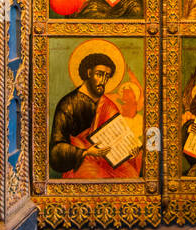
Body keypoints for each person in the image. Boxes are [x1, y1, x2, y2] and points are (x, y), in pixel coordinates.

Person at [49, 51, 138, 179]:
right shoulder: (68, 104)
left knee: (131, 174)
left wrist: (129, 152)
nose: (103, 80)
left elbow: (119, 138)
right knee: (94, 176)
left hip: (108, 161)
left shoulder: (108, 105)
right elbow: (56, 150)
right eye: (99, 74)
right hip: (83, 161)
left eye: (107, 76)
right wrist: (85, 152)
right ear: (89, 73)